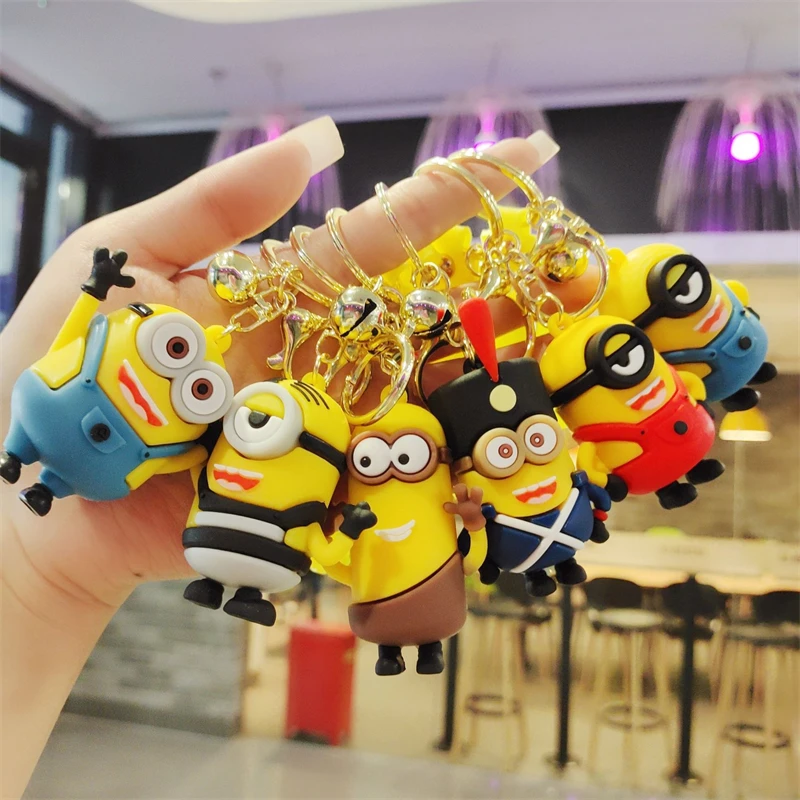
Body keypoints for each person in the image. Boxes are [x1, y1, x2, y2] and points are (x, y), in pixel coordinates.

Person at [0, 117, 593, 798]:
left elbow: (211, 476)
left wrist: (34, 576)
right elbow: (175, 458)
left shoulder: (352, 448)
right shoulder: (221, 412)